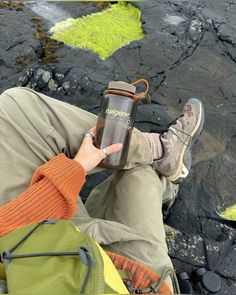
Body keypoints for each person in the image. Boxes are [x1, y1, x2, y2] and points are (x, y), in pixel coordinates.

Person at [0, 86, 204, 293]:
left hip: (40, 244)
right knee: (141, 171)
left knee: (14, 109)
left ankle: (157, 152)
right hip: (138, 280)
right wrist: (72, 170)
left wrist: (72, 171)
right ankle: (164, 172)